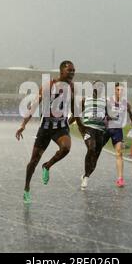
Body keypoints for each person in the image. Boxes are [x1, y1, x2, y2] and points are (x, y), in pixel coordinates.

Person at [16, 61, 79, 204]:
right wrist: (23, 125)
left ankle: (47, 166)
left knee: (66, 148)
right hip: (46, 127)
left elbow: (75, 110)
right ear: (62, 71)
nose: (72, 73)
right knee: (33, 162)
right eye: (70, 70)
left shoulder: (72, 87)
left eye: (74, 71)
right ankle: (26, 189)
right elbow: (34, 106)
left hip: (60, 128)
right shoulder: (48, 86)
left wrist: (68, 122)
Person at [104, 82, 132, 187]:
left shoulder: (126, 103)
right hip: (106, 130)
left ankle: (120, 179)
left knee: (119, 153)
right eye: (118, 90)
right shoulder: (108, 101)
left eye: (122, 90)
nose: (120, 92)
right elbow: (102, 115)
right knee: (95, 152)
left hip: (117, 130)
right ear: (114, 91)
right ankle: (87, 173)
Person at [79, 81, 109, 190]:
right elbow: (76, 114)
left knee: (95, 158)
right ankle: (86, 177)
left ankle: (86, 174)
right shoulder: (85, 100)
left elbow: (108, 115)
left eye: (101, 86)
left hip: (100, 131)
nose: (99, 88)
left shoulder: (105, 102)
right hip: (89, 129)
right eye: (97, 86)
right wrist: (67, 124)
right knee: (91, 149)